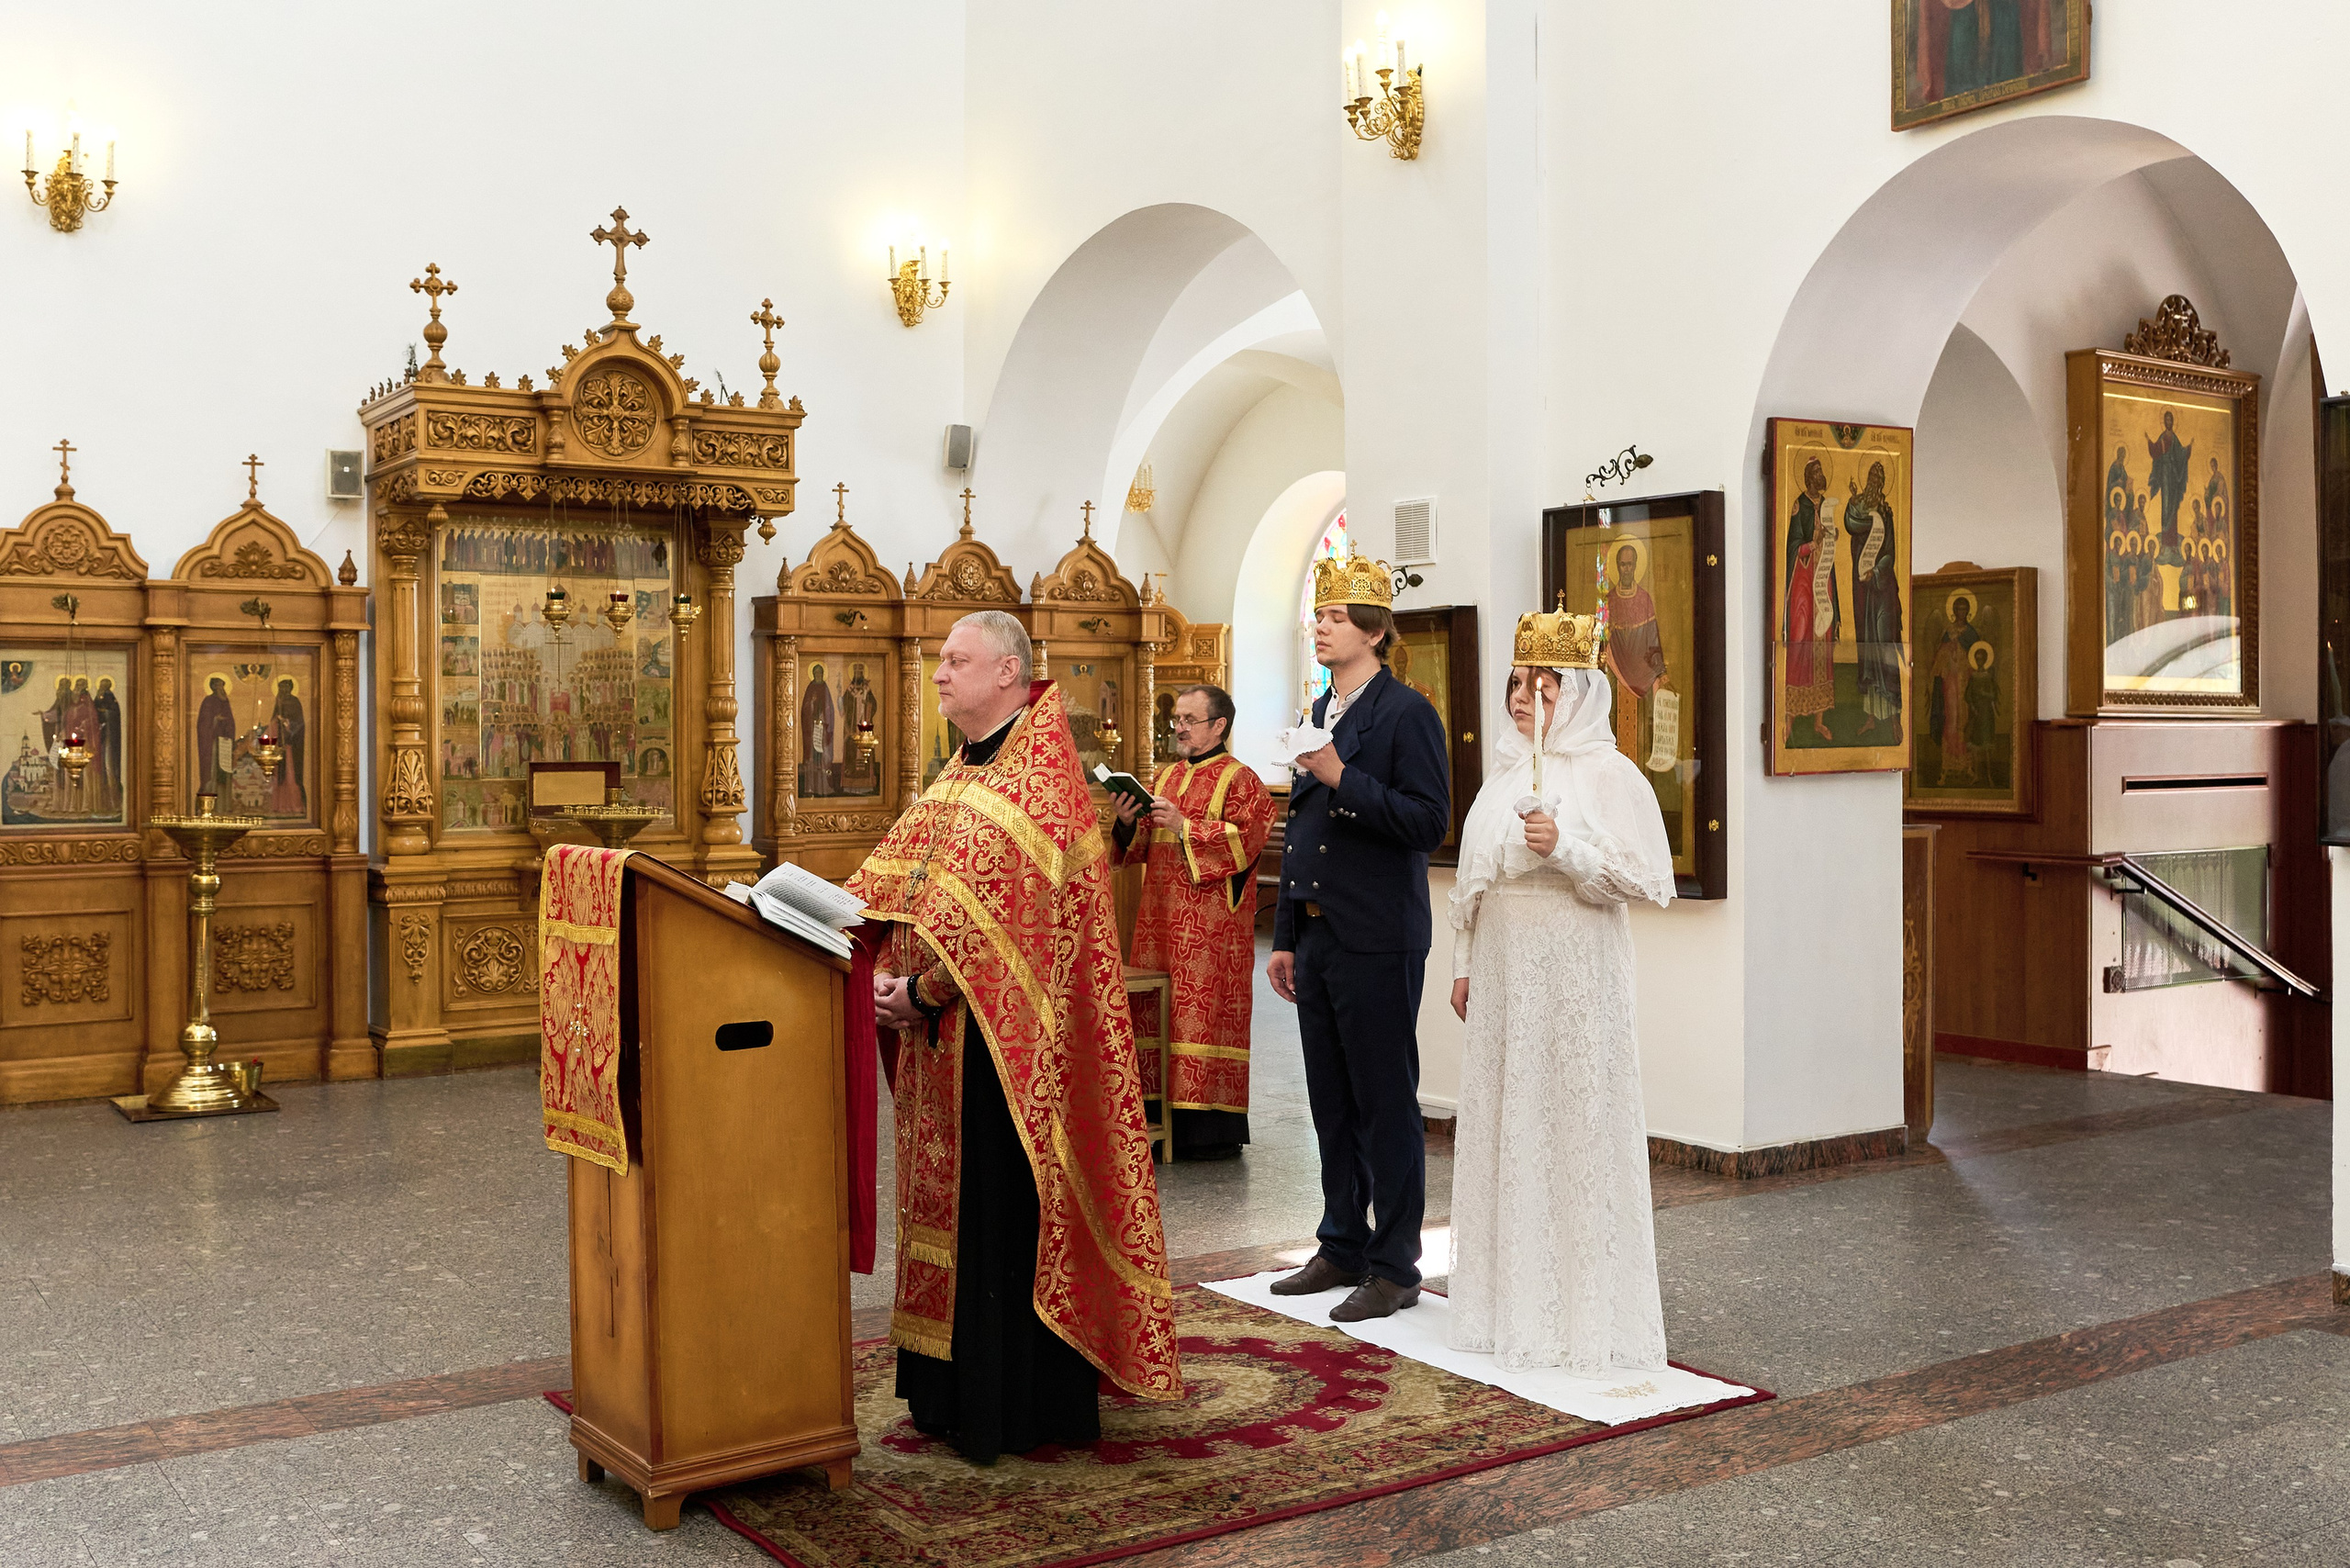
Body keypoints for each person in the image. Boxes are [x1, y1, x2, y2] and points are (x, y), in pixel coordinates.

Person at [849, 610, 1179, 1463]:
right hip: (940, 1042)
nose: (939, 674)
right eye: (941, 661)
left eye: (957, 660)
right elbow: (899, 880)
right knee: (947, 1210)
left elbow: (1020, 923)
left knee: (997, 1213)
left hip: (1009, 1054)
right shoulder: (961, 772)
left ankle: (1010, 1403)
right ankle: (946, 1391)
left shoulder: (1041, 781)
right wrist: (863, 952)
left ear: (1007, 671)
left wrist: (921, 991)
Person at [1445, 605, 1674, 1375]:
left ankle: (1580, 1311)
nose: (1522, 697)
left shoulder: (1610, 774)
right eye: (1516, 682)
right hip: (1508, 971)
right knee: (1511, 1121)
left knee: (1571, 1119)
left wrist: (1566, 848)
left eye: (1542, 685)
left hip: (1575, 968)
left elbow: (1646, 879)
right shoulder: (1504, 774)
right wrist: (1463, 965)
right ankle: (1504, 1306)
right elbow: (1474, 884)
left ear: (1576, 692)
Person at [1266, 552, 1450, 1324]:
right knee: (1331, 1101)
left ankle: (1395, 1263)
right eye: (1319, 614)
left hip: (1379, 934)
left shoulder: (1406, 713)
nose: (1322, 625)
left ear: (1373, 632)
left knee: (1383, 1101)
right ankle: (1340, 1240)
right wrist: (1283, 933)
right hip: (1316, 934)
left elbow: (1429, 821)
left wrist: (1345, 778)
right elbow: (1300, 828)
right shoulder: (1317, 708)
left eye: (1337, 616)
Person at [1113, 682, 1276, 1160]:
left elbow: (1249, 839)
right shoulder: (1164, 777)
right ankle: (1154, 1117)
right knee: (1157, 1013)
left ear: (1219, 725)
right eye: (1177, 719)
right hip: (1159, 918)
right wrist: (1127, 821)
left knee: (1199, 1017)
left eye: (1189, 719)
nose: (1179, 727)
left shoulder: (1241, 779)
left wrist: (1185, 825)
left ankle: (1206, 1129)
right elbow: (1139, 845)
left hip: (1210, 932)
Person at [1844, 463, 1904, 738]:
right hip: (1863, 592)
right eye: (1871, 477)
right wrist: (1852, 501)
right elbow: (1851, 524)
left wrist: (1877, 572)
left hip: (1882, 591)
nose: (1874, 482)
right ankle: (1870, 717)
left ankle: (1893, 717)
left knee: (1884, 645)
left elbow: (1889, 551)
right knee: (1868, 649)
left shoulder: (1886, 513)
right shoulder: (1859, 508)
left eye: (1878, 479)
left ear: (1881, 484)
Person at [1783, 458, 1840, 743]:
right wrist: (1812, 544)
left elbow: (1827, 537)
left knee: (1823, 638)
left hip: (1823, 580)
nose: (1821, 477)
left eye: (1821, 472)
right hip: (1804, 582)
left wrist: (1831, 538)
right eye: (1816, 473)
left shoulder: (1827, 504)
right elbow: (1792, 546)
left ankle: (1819, 720)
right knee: (1800, 636)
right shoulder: (1800, 506)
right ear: (1808, 478)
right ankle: (1790, 717)